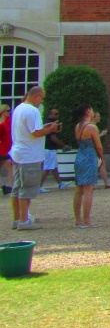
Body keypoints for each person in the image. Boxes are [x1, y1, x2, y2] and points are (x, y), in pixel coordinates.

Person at [10, 86, 61, 230]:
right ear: (36, 96)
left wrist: (44, 127)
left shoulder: (19, 108)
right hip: (29, 155)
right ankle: (24, 221)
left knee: (17, 188)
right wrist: (50, 129)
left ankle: (17, 219)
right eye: (42, 98)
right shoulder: (32, 110)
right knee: (27, 189)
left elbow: (31, 130)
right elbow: (36, 133)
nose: (42, 101)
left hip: (18, 152)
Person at [72, 103, 102, 228]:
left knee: (79, 190)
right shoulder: (91, 127)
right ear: (88, 111)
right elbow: (98, 145)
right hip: (89, 157)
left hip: (79, 156)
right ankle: (86, 220)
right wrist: (101, 157)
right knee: (88, 189)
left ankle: (78, 220)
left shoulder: (78, 126)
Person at [38, 107, 70, 192]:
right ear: (50, 114)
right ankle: (39, 186)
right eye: (55, 114)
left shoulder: (48, 123)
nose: (57, 115)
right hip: (49, 148)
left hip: (49, 148)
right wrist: (63, 145)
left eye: (58, 114)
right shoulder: (50, 124)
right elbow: (53, 138)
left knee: (53, 167)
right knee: (47, 167)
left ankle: (60, 183)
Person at [91, 112, 110, 188]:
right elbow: (93, 138)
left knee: (101, 163)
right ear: (94, 117)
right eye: (98, 116)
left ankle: (106, 182)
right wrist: (102, 134)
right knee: (95, 165)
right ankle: (93, 184)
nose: (99, 118)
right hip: (93, 148)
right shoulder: (92, 126)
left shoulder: (93, 126)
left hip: (96, 148)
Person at [0, 104, 12, 196]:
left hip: (9, 147)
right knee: (10, 167)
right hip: (3, 148)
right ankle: (7, 187)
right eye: (7, 111)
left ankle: (6, 187)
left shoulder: (9, 121)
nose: (9, 112)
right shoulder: (2, 123)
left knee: (10, 167)